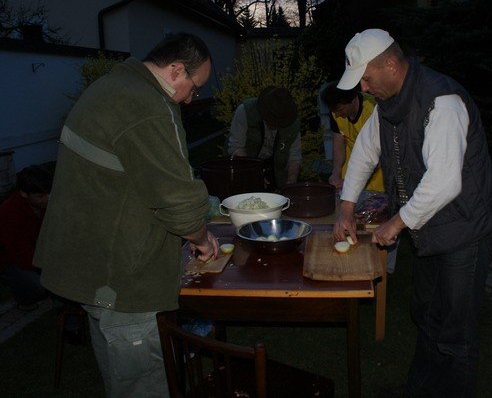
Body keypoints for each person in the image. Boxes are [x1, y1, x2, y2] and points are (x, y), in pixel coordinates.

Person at [33, 32, 220, 398]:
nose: (192, 98)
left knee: (119, 374)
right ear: (176, 70)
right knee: (143, 382)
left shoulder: (112, 86)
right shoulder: (148, 106)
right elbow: (178, 200)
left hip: (89, 267)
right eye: (194, 88)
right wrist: (200, 237)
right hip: (120, 275)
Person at [332, 29, 492, 397]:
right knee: (426, 312)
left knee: (455, 330)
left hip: (466, 227)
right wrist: (346, 207)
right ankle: (421, 389)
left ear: (391, 65)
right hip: (429, 225)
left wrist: (396, 223)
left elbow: (444, 181)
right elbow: (364, 152)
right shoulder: (388, 104)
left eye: (367, 78)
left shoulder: (442, 101)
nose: (363, 88)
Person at [320, 81, 399, 273]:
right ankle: (355, 264)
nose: (337, 114)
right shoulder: (336, 112)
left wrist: (356, 182)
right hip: (351, 174)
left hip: (379, 177)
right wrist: (336, 172)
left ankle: (384, 268)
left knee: (381, 222)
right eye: (333, 110)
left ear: (354, 99)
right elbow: (339, 143)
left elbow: (380, 155)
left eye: (340, 109)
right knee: (349, 217)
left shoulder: (374, 111)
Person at [226, 86, 302, 190]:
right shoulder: (246, 111)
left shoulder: (293, 125)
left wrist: (291, 179)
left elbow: (294, 158)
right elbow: (236, 147)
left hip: (272, 168)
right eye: (272, 119)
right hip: (242, 165)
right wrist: (254, 172)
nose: (275, 124)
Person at [0, 165, 51, 310]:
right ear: (23, 194)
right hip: (6, 260)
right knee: (42, 286)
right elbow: (23, 257)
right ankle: (24, 298)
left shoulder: (41, 205)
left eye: (48, 193)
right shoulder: (9, 214)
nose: (47, 199)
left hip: (29, 252)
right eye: (41, 196)